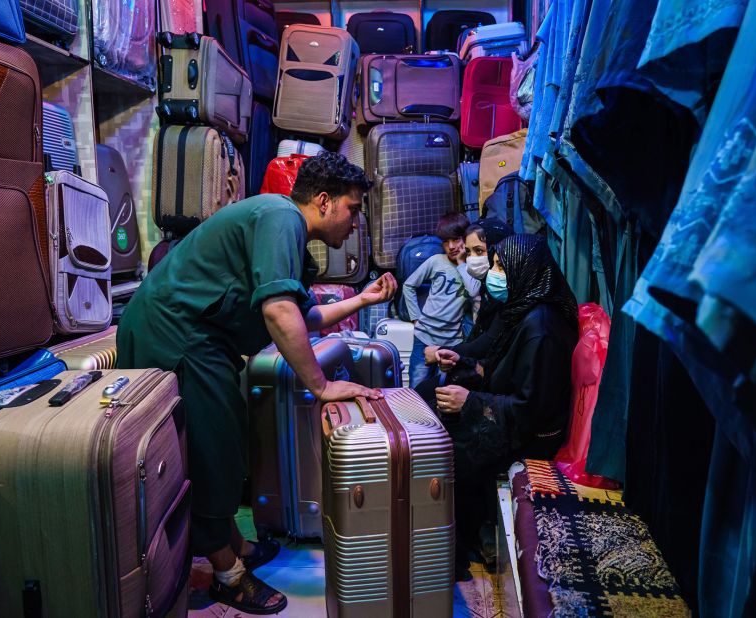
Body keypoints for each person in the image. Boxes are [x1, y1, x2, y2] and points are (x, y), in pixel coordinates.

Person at [116, 153, 397, 614]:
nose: (356, 222)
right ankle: (228, 573)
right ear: (324, 202)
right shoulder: (280, 218)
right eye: (353, 208)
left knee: (225, 443)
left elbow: (302, 315)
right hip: (176, 336)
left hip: (199, 338)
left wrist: (363, 299)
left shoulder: (285, 228)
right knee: (210, 453)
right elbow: (278, 313)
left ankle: (237, 546)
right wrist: (323, 387)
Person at [423, 234, 578, 577]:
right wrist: (468, 372)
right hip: (517, 415)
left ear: (525, 271)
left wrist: (472, 401)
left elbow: (531, 409)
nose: (493, 272)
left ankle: (453, 552)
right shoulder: (523, 312)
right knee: (432, 399)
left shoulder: (542, 330)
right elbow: (501, 369)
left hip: (535, 434)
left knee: (450, 447)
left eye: (500, 266)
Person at [420, 218, 513, 377]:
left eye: (479, 251)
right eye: (468, 252)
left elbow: (486, 343)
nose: (472, 259)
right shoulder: (490, 289)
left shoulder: (505, 294)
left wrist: (442, 351)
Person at [401, 212, 481, 386]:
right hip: (424, 337)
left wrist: (461, 262)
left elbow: (474, 292)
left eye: (456, 239)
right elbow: (408, 285)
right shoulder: (436, 261)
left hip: (452, 342)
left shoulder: (471, 267)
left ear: (465, 238)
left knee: (443, 387)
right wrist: (415, 318)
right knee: (417, 387)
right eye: (446, 241)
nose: (451, 246)